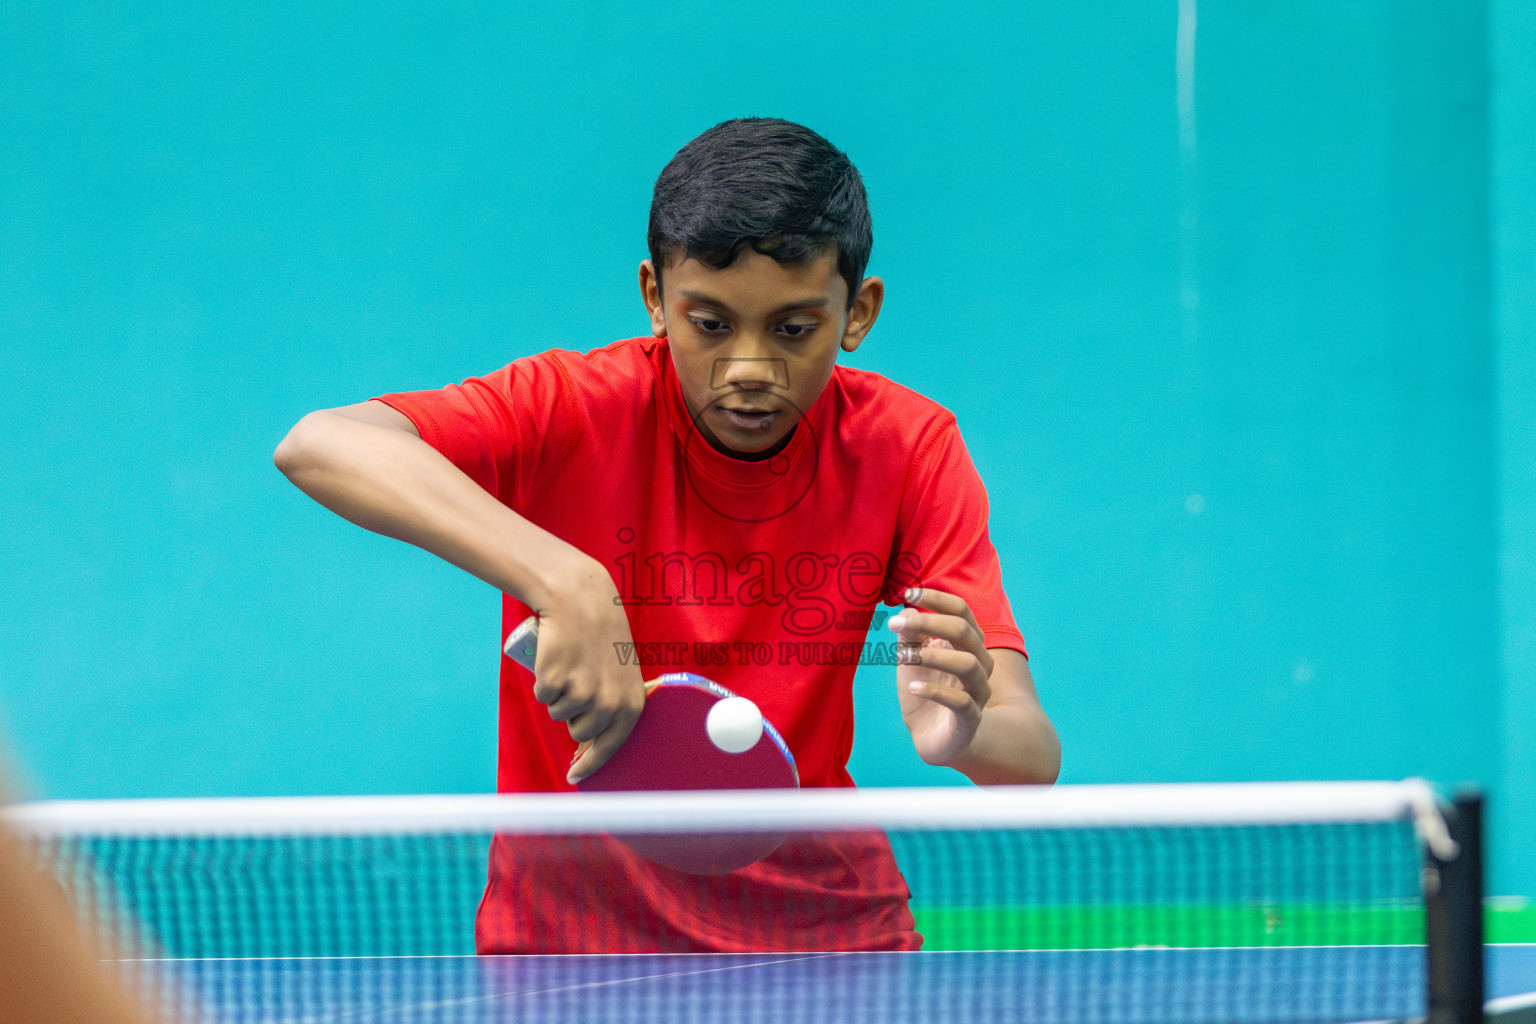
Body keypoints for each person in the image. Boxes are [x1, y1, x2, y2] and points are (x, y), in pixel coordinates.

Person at [274, 117, 1060, 953]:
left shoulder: (907, 446)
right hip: (567, 955)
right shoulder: (572, 409)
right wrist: (564, 578)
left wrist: (966, 729)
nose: (748, 368)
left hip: (829, 951)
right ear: (655, 296)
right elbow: (320, 444)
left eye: (793, 328)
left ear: (856, 311)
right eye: (710, 323)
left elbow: (1032, 757)